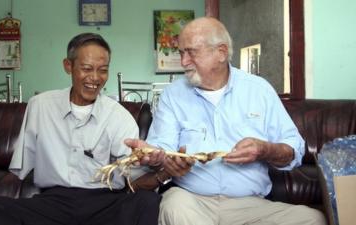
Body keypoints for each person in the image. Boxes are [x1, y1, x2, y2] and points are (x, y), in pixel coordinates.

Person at [126, 17, 326, 225]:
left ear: (221, 52)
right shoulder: (172, 95)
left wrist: (266, 150)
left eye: (191, 52)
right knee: (173, 205)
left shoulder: (259, 90)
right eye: (181, 53)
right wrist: (157, 157)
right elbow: (162, 147)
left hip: (251, 206)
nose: (183, 62)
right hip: (192, 202)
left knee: (312, 219)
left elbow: (295, 148)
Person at [0, 33, 162, 225]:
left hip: (105, 204)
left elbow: (134, 183)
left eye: (103, 70)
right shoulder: (41, 106)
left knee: (148, 201)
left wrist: (162, 170)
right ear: (68, 66)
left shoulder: (120, 117)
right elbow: (20, 170)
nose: (95, 78)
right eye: (86, 68)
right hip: (53, 204)